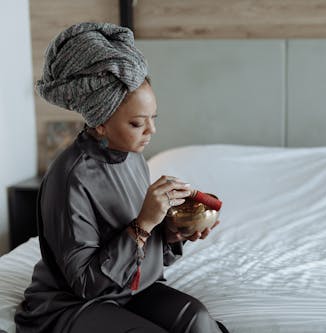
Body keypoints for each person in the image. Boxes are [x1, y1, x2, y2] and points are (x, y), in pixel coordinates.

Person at [14, 22, 229, 333]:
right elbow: (86, 283)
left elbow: (139, 249)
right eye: (137, 123)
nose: (151, 132)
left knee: (198, 319)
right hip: (74, 304)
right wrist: (143, 223)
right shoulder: (70, 178)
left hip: (130, 288)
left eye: (153, 119)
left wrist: (172, 232)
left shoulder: (134, 158)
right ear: (101, 123)